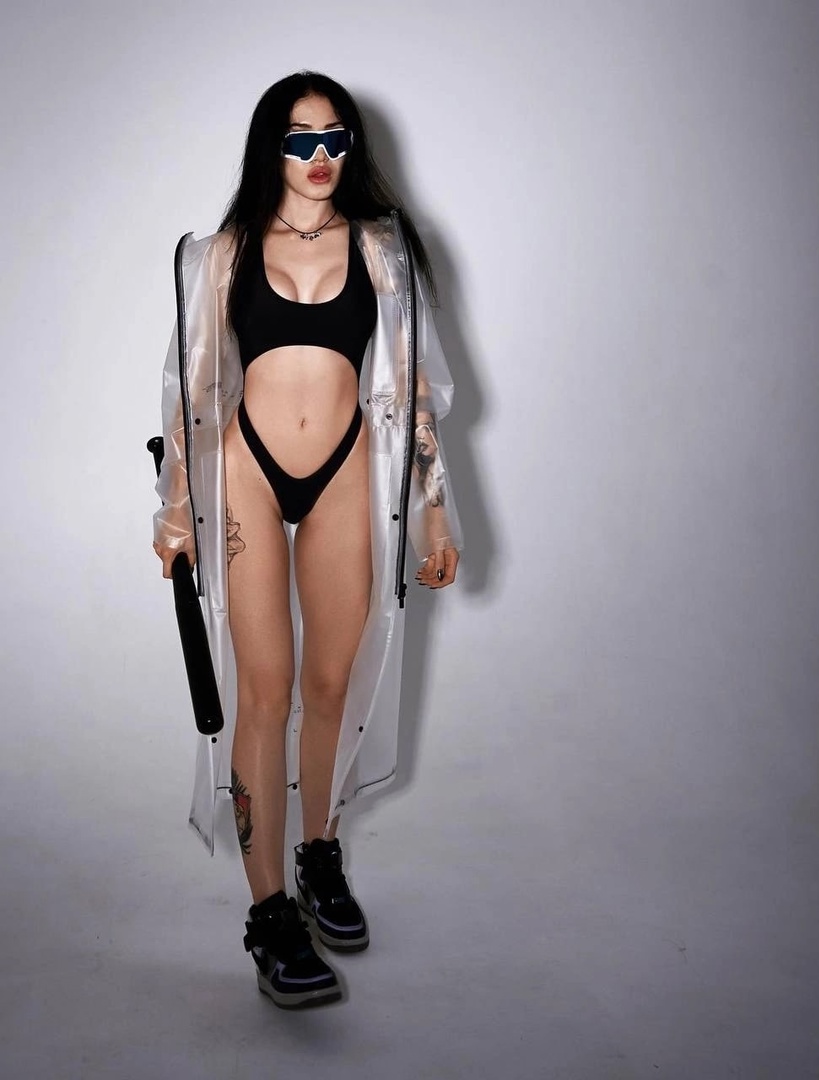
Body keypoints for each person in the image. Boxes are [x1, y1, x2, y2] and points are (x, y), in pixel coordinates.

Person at [152, 72, 462, 1009]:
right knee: (265, 692)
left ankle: (318, 851)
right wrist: (175, 514)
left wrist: (435, 510)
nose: (319, 156)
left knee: (330, 684)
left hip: (343, 472)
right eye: (298, 139)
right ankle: (268, 915)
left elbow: (411, 386)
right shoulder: (222, 253)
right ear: (270, 148)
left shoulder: (383, 249)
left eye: (334, 138)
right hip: (247, 470)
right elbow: (190, 392)